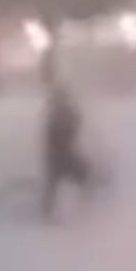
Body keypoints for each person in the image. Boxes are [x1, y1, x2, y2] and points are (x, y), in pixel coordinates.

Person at [40, 78, 93, 218]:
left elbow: (71, 128)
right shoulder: (59, 113)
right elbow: (67, 130)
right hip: (59, 156)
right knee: (82, 175)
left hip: (59, 155)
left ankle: (49, 211)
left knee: (56, 183)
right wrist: (75, 119)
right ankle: (48, 214)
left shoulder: (59, 111)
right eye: (65, 97)